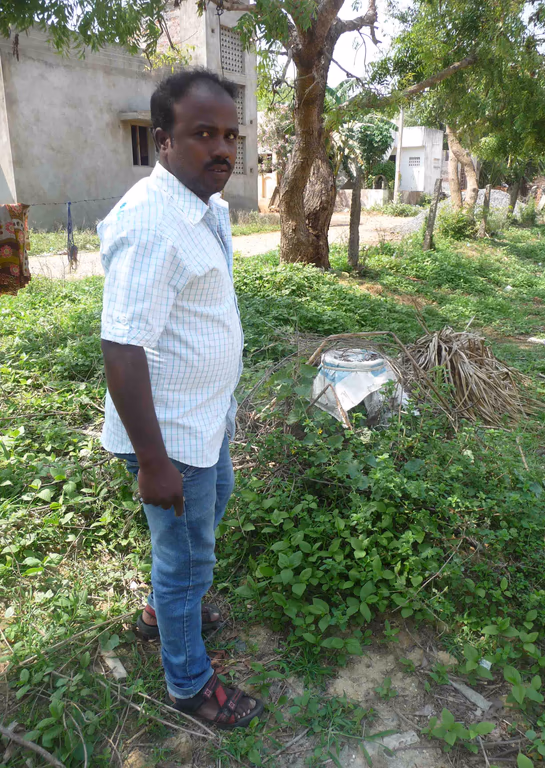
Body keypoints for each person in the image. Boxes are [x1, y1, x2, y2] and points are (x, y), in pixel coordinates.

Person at [98, 68, 263, 729]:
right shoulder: (153, 222)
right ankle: (189, 684)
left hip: (203, 425)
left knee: (198, 529)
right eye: (203, 134)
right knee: (186, 556)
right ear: (163, 140)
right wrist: (155, 462)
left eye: (231, 135)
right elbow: (123, 348)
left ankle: (161, 614)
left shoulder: (205, 205)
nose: (222, 148)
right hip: (169, 441)